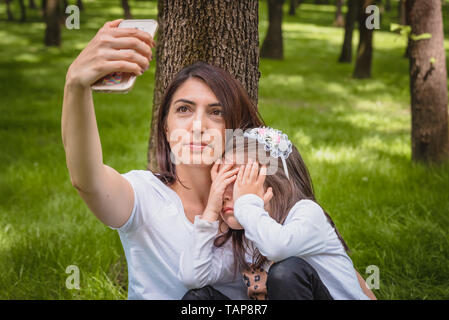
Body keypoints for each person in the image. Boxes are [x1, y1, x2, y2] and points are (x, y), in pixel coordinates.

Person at [62, 19, 264, 299]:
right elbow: (87, 180)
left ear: (233, 130)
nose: (198, 125)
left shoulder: (254, 196)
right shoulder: (146, 195)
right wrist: (75, 85)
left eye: (216, 112)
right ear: (166, 128)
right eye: (184, 109)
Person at [179, 128, 377, 300]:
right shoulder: (244, 237)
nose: (225, 193)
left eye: (238, 180)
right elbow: (192, 277)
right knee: (198, 298)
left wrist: (247, 202)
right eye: (222, 182)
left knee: (287, 272)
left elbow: (277, 247)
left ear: (275, 180)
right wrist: (211, 211)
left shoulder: (307, 212)